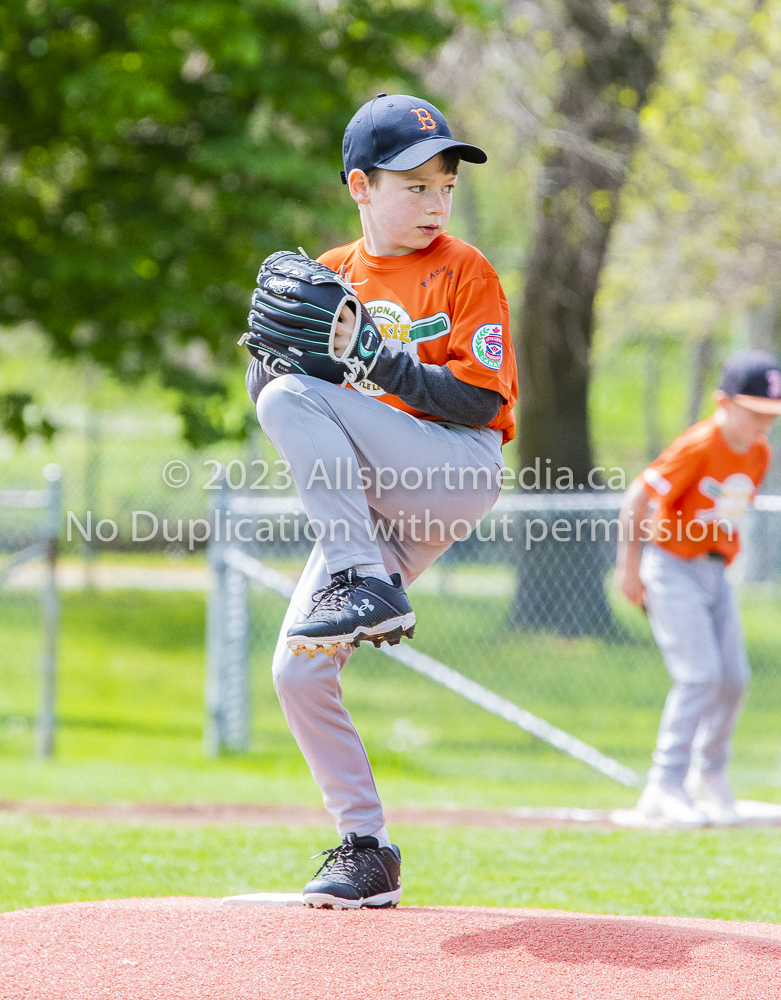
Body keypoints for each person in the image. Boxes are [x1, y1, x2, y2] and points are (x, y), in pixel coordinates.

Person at [245, 94, 518, 906]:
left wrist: (375, 357)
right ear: (360, 186)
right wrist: (269, 351)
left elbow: (481, 402)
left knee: (293, 398)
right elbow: (271, 390)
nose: (435, 203)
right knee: (296, 671)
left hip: (453, 471)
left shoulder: (465, 270)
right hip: (373, 514)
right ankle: (366, 850)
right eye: (414, 186)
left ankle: (363, 581)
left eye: (444, 187)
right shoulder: (330, 274)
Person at [614, 350, 781, 826]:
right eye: (756, 409)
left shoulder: (760, 453)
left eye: (773, 413)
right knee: (699, 675)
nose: (765, 420)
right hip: (671, 566)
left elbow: (725, 519)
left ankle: (709, 776)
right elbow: (639, 496)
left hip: (716, 573)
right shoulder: (699, 444)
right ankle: (665, 785)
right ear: (722, 401)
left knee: (733, 678)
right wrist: (629, 568)